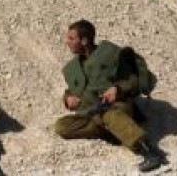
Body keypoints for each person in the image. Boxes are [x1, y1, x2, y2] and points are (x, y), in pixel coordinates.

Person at [54, 19, 167, 172]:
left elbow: (134, 80)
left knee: (109, 115)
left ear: (85, 40)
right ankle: (116, 132)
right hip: (92, 114)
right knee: (62, 126)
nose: (67, 42)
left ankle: (150, 152)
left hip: (116, 108)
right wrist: (67, 99)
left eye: (71, 38)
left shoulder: (109, 54)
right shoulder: (73, 67)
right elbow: (72, 89)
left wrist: (117, 89)